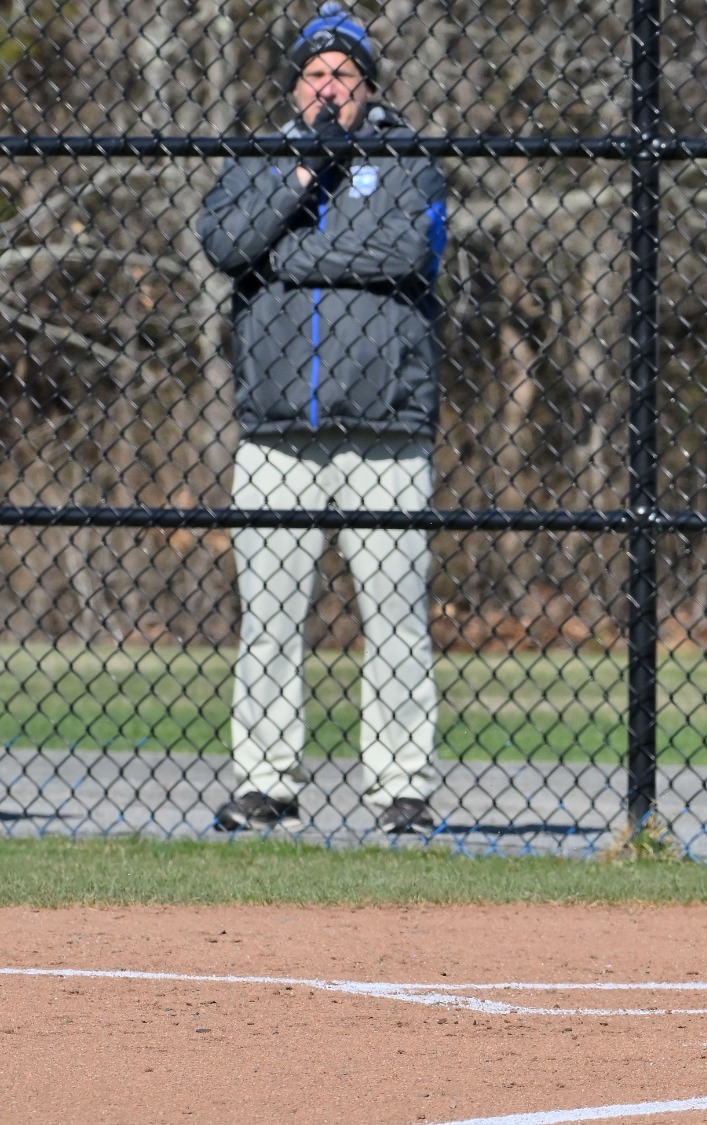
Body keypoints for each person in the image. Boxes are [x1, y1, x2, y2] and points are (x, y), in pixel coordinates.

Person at [197, 2, 448, 835]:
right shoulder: (260, 158)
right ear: (297, 85)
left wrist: (290, 255)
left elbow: (405, 253)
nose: (329, 87)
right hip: (277, 433)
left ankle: (400, 788)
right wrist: (304, 180)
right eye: (315, 75)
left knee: (396, 617)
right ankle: (267, 780)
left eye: (344, 75)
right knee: (268, 618)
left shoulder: (407, 157)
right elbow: (226, 243)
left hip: (384, 428)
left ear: (369, 87)